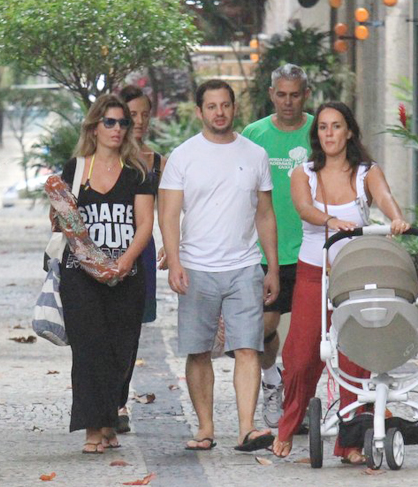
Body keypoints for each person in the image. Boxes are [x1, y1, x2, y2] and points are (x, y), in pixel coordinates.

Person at [272, 101, 410, 463]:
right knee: (301, 356)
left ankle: (349, 441)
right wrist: (329, 221)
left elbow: (385, 198)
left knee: (354, 355)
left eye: (336, 126)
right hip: (313, 272)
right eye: (322, 127)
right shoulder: (304, 172)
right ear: (316, 134)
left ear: (349, 131)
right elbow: (303, 208)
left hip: (354, 276)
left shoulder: (366, 171)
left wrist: (396, 219)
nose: (329, 134)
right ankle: (288, 425)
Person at [159, 79, 280, 452]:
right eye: (211, 106)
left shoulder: (255, 154)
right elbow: (169, 212)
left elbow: (265, 214)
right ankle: (205, 428)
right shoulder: (183, 156)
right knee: (198, 351)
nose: (219, 112)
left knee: (248, 348)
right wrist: (175, 260)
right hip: (196, 267)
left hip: (245, 266)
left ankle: (246, 429)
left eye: (225, 105)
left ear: (234, 108)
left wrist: (271, 267)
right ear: (200, 112)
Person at [56, 94, 154, 453]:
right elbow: (64, 223)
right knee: (88, 351)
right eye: (109, 122)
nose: (116, 129)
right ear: (94, 127)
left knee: (119, 352)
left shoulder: (138, 171)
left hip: (125, 274)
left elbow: (145, 223)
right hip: (80, 275)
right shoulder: (76, 169)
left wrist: (127, 260)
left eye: (122, 123)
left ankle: (109, 421)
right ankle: (91, 430)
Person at [241, 64, 313, 428]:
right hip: (264, 253)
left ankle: (303, 403)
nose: (288, 102)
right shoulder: (254, 135)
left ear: (306, 94)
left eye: (295, 94)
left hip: (311, 252)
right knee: (262, 330)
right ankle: (273, 382)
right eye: (281, 94)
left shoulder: (320, 131)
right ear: (271, 94)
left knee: (307, 337)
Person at [114, 85, 168, 434]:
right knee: (103, 327)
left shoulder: (154, 160)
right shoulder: (102, 159)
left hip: (142, 249)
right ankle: (104, 399)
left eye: (145, 115)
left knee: (130, 328)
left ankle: (118, 401)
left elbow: (167, 207)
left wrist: (171, 246)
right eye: (132, 114)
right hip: (106, 246)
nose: (139, 121)